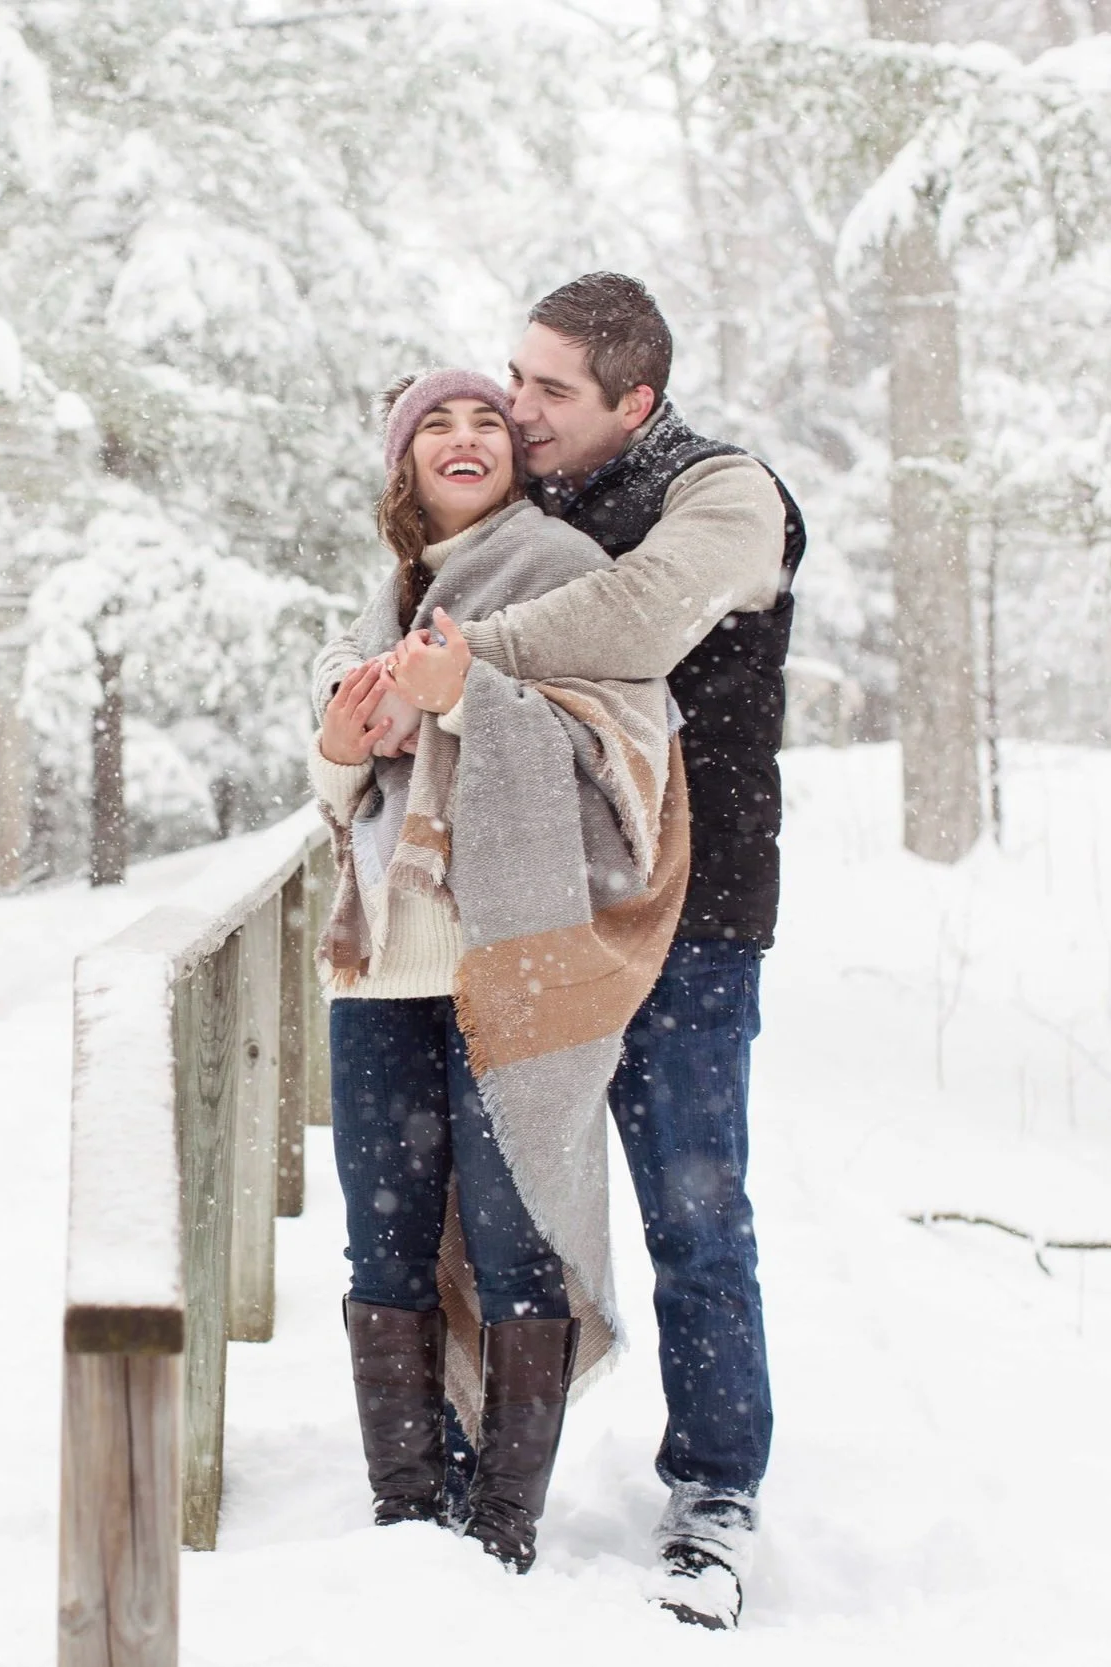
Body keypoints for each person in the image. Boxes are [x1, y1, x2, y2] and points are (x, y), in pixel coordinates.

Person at [331, 275, 806, 1630]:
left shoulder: (722, 496)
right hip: (534, 913)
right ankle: (472, 1476)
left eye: (545, 391)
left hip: (694, 912)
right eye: (510, 380)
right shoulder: (527, 506)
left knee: (692, 1206)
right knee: (503, 1209)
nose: (518, 410)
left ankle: (712, 1490)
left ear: (631, 402)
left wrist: (457, 656)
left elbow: (639, 617)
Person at [308, 368, 688, 1575]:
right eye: (436, 424)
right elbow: (344, 802)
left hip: (516, 961)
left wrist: (470, 694)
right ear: (402, 460)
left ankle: (500, 1529)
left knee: (520, 1240)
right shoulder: (384, 597)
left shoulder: (566, 567)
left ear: (515, 457)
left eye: (487, 422)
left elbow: (626, 750)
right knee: (385, 1244)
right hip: (381, 971)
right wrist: (337, 745)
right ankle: (406, 1512)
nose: (464, 438)